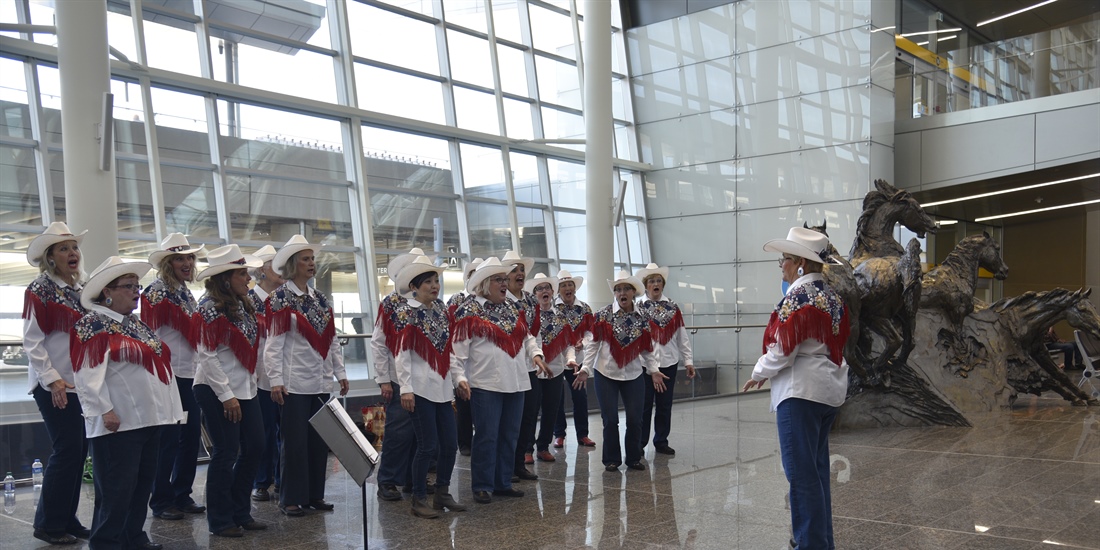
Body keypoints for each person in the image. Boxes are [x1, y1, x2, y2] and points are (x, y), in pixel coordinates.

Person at [742, 227, 850, 550]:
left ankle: (809, 544)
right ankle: (821, 542)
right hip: (826, 395)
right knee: (817, 474)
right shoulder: (831, 297)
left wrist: (759, 370)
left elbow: (783, 349)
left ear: (801, 264)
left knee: (802, 479)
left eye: (785, 260)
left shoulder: (799, 297)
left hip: (799, 396)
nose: (782, 267)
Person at [71, 256, 185, 550]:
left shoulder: (136, 325)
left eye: (137, 286)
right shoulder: (93, 323)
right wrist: (103, 410)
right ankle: (106, 543)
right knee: (115, 492)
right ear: (107, 291)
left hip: (149, 419)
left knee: (140, 487)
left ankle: (133, 538)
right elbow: (86, 374)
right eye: (128, 286)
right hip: (118, 423)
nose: (136, 291)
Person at [450, 258, 549, 504]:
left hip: (516, 382)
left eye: (505, 279)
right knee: (487, 436)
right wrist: (460, 378)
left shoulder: (513, 308)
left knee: (509, 435)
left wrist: (536, 355)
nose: (505, 284)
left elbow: (528, 338)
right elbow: (457, 351)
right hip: (486, 384)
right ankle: (482, 485)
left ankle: (503, 482)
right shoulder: (469, 310)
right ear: (485, 284)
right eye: (499, 279)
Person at [264, 234, 349, 516]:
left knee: (318, 443)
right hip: (293, 383)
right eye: (305, 259)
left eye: (312, 259)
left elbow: (332, 339)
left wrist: (341, 372)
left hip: (320, 382)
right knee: (295, 444)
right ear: (293, 264)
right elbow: (273, 344)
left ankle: (314, 495)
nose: (311, 263)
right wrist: (275, 380)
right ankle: (290, 497)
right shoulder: (279, 298)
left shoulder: (321, 299)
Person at [22, 222, 92, 545]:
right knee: (67, 450)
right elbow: (32, 341)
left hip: (79, 384)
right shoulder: (39, 290)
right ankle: (48, 525)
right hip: (54, 384)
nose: (72, 253)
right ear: (50, 258)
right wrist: (53, 381)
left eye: (74, 247)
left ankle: (66, 517)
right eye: (63, 249)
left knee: (79, 452)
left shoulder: (81, 290)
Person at [192, 245, 267, 537]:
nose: (248, 278)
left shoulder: (243, 304)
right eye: (242, 273)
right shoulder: (209, 306)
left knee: (256, 446)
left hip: (245, 389)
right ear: (225, 278)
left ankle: (240, 510)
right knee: (225, 453)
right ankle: (221, 519)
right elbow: (206, 355)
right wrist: (226, 395)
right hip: (215, 389)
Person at [392, 256, 467, 518]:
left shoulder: (442, 311)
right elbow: (401, 353)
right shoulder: (406, 313)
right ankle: (419, 498)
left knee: (449, 444)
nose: (435, 286)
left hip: (442, 389)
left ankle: (442, 493)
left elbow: (451, 351)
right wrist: (406, 388)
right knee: (427, 445)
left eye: (436, 281)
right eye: (428, 282)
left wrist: (459, 379)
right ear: (414, 286)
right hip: (420, 389)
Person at [571, 271, 664, 472]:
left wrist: (654, 370)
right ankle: (611, 459)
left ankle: (633, 458)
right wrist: (586, 368)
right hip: (606, 374)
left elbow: (647, 349)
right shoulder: (603, 315)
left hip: (633, 374)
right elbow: (593, 345)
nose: (622, 293)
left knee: (634, 418)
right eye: (618, 289)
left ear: (633, 293)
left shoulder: (642, 317)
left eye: (626, 289)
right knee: (610, 419)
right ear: (615, 293)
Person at [143, 233, 206, 521]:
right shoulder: (155, 292)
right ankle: (161, 500)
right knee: (168, 439)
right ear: (168, 262)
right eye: (180, 258)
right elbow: (150, 336)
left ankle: (182, 494)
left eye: (189, 257)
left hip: (188, 373)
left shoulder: (185, 293)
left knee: (190, 437)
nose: (187, 262)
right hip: (166, 375)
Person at [372, 248, 429, 501]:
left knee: (421, 433)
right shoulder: (391, 304)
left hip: (425, 380)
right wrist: (384, 379)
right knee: (399, 433)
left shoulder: (430, 304)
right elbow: (378, 343)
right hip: (398, 379)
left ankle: (412, 477)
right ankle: (387, 480)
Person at [636, 263, 697, 456]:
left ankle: (661, 441)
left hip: (669, 363)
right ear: (645, 285)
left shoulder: (672, 307)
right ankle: (640, 443)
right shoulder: (637, 308)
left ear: (663, 285)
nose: (655, 284)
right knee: (644, 406)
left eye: (659, 281)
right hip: (644, 366)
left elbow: (681, 335)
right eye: (652, 281)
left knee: (664, 406)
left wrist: (688, 360)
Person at [521, 274, 576, 466]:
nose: (544, 291)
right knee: (530, 412)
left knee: (551, 411)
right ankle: (527, 448)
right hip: (534, 371)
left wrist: (570, 359)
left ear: (553, 292)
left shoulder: (561, 316)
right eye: (539, 288)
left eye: (547, 288)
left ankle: (543, 447)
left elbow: (569, 343)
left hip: (556, 370)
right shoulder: (529, 315)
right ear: (534, 294)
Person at [248, 245, 284, 502]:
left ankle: (283, 478)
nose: (281, 271)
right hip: (259, 376)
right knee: (264, 431)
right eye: (275, 265)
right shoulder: (249, 302)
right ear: (261, 270)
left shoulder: (284, 300)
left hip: (285, 374)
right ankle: (261, 481)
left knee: (286, 430)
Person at [552, 269, 597, 449]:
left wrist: (583, 343)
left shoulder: (584, 308)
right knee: (557, 399)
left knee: (580, 397)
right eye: (563, 285)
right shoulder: (553, 309)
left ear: (575, 288)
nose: (567, 288)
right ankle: (559, 434)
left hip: (577, 360)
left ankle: (583, 434)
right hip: (556, 359)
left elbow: (592, 332)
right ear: (558, 289)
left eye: (570, 285)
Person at [448, 258, 483, 457]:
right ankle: (464, 442)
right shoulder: (457, 300)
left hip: (479, 364)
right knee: (463, 404)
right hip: (460, 358)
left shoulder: (489, 303)